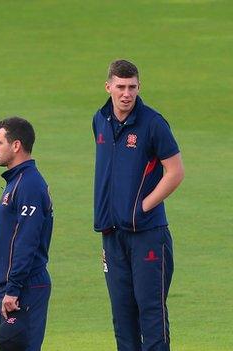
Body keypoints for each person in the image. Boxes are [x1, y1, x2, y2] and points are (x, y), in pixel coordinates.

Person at [92, 59, 184, 350]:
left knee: (151, 315)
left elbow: (175, 172)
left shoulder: (153, 124)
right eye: (120, 87)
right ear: (108, 87)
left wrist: (144, 206)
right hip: (112, 235)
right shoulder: (100, 120)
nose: (126, 94)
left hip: (148, 235)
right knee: (122, 318)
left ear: (139, 87)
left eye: (132, 87)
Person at [0, 117, 53, 351]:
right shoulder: (16, 181)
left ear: (16, 146)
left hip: (23, 288)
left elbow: (28, 241)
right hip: (11, 286)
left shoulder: (28, 185)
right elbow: (17, 238)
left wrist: (13, 289)